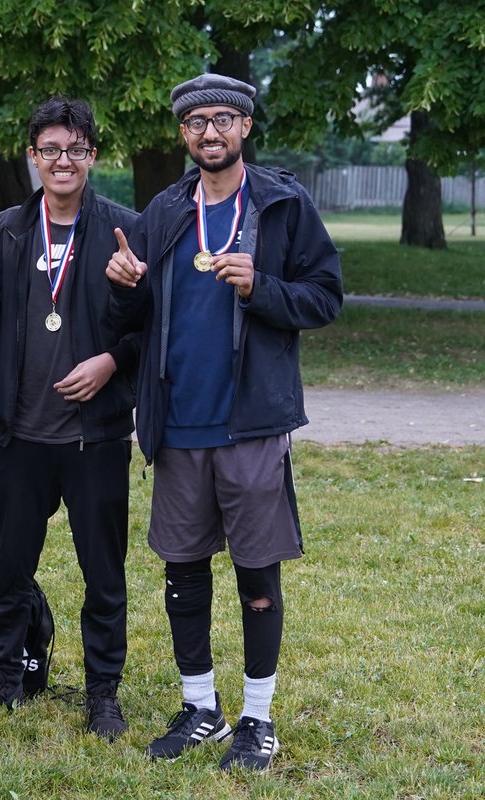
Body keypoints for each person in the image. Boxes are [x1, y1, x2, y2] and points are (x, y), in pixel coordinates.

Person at [105, 73, 342, 771]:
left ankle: (257, 719)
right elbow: (137, 318)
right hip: (177, 421)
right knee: (183, 568)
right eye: (196, 122)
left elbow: (325, 297)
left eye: (224, 119)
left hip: (250, 423)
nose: (210, 132)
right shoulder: (164, 210)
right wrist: (123, 287)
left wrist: (261, 287)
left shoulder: (282, 205)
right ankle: (200, 705)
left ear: (244, 127)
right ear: (183, 134)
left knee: (255, 570)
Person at [0, 98, 138, 739]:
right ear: (33, 157)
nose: (63, 161)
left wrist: (111, 362)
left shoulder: (125, 229)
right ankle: (2, 680)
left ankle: (103, 694)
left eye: (76, 149)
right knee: (10, 568)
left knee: (104, 573)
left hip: (95, 436)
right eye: (50, 150)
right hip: (22, 432)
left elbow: (150, 329)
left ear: (92, 155)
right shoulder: (8, 228)